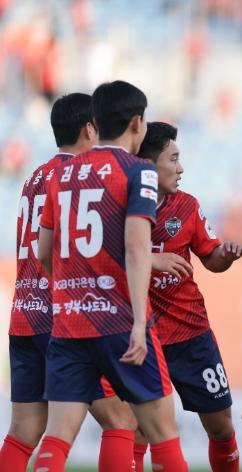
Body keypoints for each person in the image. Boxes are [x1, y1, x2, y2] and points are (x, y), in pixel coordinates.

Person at [34, 81, 188, 472]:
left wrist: (70, 295)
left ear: (96, 123)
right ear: (137, 122)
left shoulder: (61, 174)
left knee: (56, 439)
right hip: (119, 321)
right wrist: (138, 321)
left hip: (69, 325)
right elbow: (137, 248)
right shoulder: (139, 171)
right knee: (163, 433)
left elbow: (44, 252)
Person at [0, 92, 140, 472]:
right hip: (66, 319)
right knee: (121, 420)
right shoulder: (78, 177)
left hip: (23, 315)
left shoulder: (33, 178)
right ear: (89, 128)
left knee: (24, 429)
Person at [125, 121, 242, 472]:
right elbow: (104, 260)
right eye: (173, 159)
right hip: (142, 335)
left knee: (221, 425)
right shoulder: (120, 206)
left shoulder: (187, 206)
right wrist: (152, 260)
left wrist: (226, 253)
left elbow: (211, 258)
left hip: (191, 334)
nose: (180, 168)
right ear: (148, 165)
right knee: (138, 430)